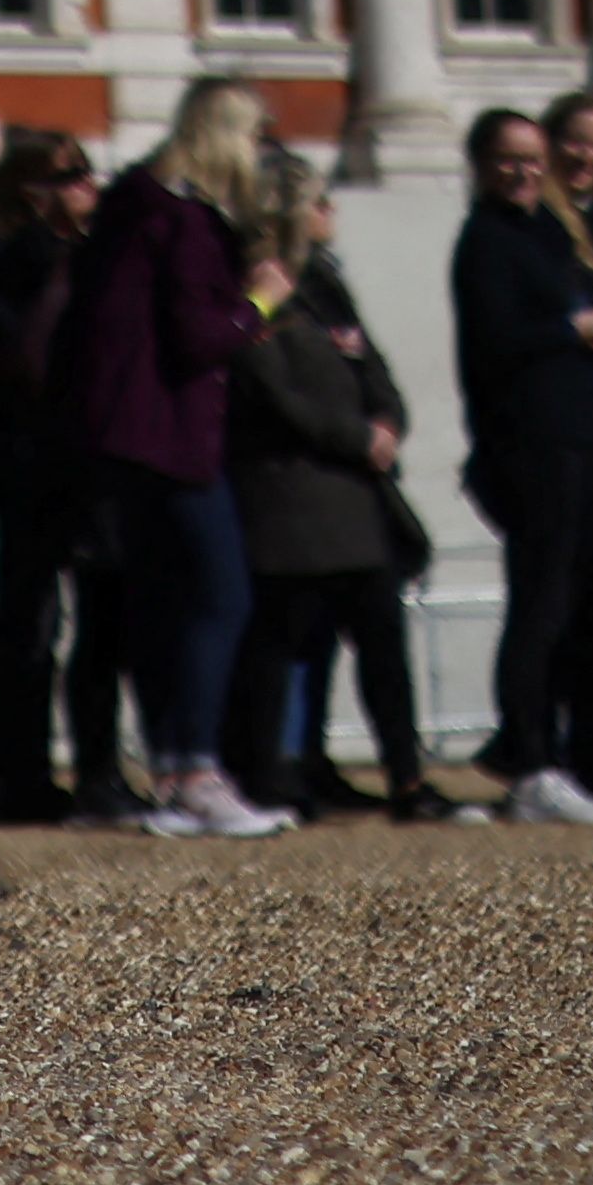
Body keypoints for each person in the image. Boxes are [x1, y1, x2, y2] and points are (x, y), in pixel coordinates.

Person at [64, 82, 276, 839]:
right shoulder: (185, 220)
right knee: (219, 597)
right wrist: (260, 304)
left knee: (163, 604)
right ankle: (194, 767)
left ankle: (176, 763)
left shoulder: (137, 210)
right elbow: (198, 335)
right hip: (171, 435)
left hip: (124, 435)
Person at [220, 170, 443, 822]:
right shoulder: (258, 290)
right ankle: (270, 769)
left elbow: (371, 366)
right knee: (281, 643)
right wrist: (353, 436)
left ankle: (405, 776)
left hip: (355, 496)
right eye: (316, 202)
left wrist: (385, 421)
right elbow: (270, 389)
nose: (329, 212)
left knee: (381, 646)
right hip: (293, 494)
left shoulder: (325, 285)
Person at [444, 104, 593, 824]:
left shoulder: (547, 232)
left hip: (574, 434)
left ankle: (544, 751)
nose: (525, 170)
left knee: (562, 604)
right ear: (481, 164)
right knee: (538, 603)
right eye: (509, 158)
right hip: (529, 442)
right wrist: (570, 326)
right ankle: (527, 760)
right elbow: (496, 337)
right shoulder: (485, 239)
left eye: (533, 158)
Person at [0, 128, 127, 823]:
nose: (83, 187)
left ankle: (89, 767)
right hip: (23, 455)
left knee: (94, 616)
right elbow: (1, 343)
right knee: (26, 620)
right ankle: (16, 769)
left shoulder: (84, 252)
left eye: (84, 172)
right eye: (65, 175)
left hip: (81, 454)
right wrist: (54, 249)